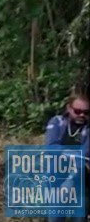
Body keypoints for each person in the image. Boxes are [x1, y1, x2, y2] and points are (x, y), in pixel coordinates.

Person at [45, 94, 90, 222]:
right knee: (55, 218)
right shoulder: (57, 122)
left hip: (80, 181)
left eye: (86, 112)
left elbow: (86, 155)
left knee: (79, 218)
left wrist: (64, 152)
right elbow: (51, 148)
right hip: (57, 178)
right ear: (69, 108)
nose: (82, 115)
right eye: (77, 111)